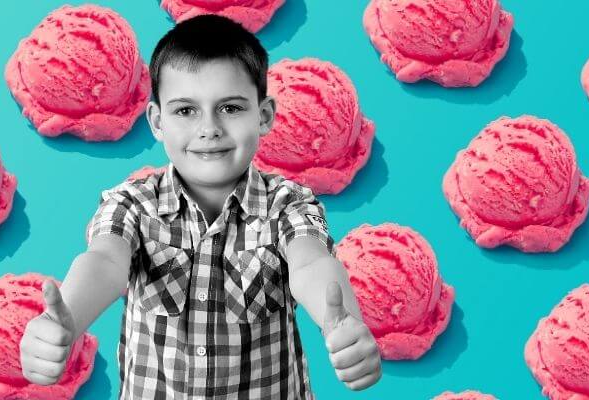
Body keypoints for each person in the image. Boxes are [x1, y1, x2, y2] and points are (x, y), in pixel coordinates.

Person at [19, 14, 381, 399]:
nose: (209, 129)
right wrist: (67, 321)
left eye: (230, 108)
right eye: (185, 110)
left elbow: (311, 263)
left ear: (264, 116)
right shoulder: (130, 204)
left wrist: (341, 324)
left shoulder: (289, 204)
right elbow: (105, 262)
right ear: (157, 121)